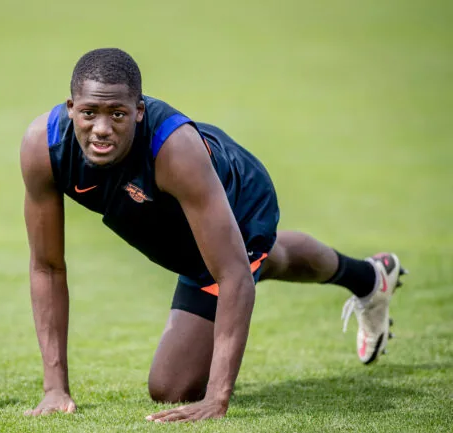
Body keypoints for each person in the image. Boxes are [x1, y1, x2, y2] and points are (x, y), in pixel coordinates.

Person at [20, 48, 406, 423]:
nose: (101, 129)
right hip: (166, 221)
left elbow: (233, 276)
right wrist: (55, 389)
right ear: (71, 108)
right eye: (89, 113)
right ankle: (369, 277)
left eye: (117, 114)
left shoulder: (175, 151)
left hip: (240, 203)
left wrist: (217, 398)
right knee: (258, 262)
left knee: (172, 386)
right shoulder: (44, 147)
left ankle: (320, 269)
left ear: (139, 111)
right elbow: (47, 267)